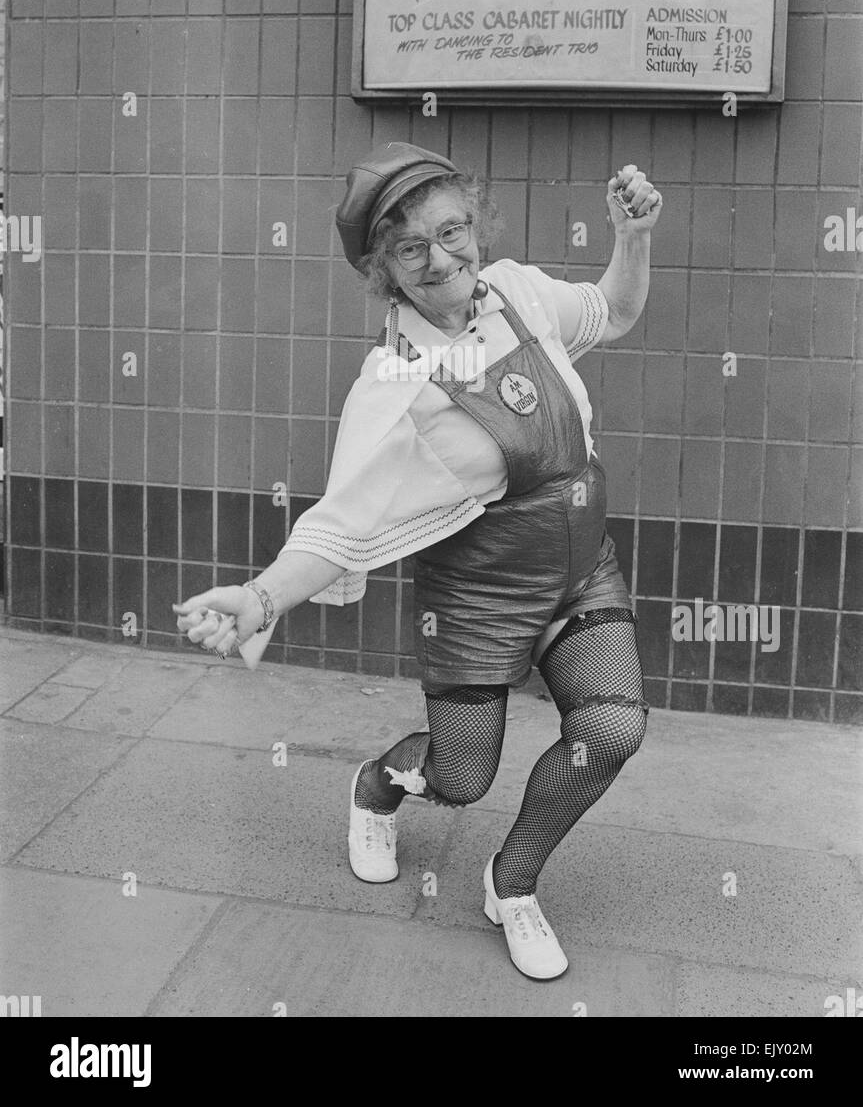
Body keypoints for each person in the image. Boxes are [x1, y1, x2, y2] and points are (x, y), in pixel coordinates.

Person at [173, 141, 662, 981]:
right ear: (384, 272)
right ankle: (377, 786)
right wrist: (259, 600)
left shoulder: (517, 291)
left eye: (451, 231)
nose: (441, 260)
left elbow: (611, 312)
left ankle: (512, 884)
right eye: (411, 248)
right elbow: (340, 521)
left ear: (475, 224)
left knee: (612, 729)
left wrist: (632, 236)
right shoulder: (393, 383)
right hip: (477, 599)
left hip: (582, 574)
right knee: (461, 779)